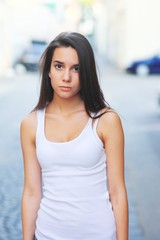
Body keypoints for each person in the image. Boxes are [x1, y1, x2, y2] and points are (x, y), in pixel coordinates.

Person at [20, 31, 128, 240]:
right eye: (59, 66)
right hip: (47, 234)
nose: (66, 76)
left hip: (99, 234)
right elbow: (31, 193)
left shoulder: (106, 121)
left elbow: (118, 193)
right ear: (48, 71)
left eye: (76, 68)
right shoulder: (31, 124)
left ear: (86, 73)